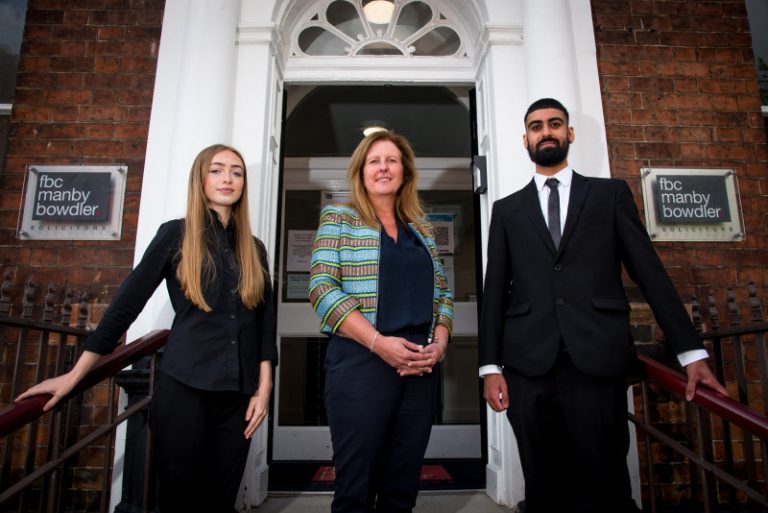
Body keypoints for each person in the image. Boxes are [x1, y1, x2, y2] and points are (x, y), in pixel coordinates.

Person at [478, 98, 728, 513]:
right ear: (526, 139)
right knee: (543, 487)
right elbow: (494, 292)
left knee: (606, 484)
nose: (546, 132)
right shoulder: (507, 211)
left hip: (595, 363)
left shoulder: (609, 195)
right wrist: (490, 367)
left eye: (555, 124)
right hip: (528, 368)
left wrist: (691, 353)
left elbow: (650, 274)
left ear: (569, 133)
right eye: (536, 126)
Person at [17, 144, 277, 513]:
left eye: (237, 172)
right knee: (179, 502)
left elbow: (265, 323)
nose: (228, 179)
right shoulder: (175, 235)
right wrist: (75, 375)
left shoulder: (255, 249)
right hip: (185, 388)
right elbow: (127, 304)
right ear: (200, 179)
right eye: (217, 170)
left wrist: (264, 386)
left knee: (220, 502)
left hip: (239, 397)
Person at [309, 129, 453, 513]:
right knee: (356, 490)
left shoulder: (421, 229)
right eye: (375, 161)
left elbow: (444, 296)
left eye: (392, 160)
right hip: (361, 363)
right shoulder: (339, 217)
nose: (384, 168)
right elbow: (322, 288)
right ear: (361, 171)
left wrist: (438, 347)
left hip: (419, 370)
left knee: (402, 490)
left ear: (405, 172)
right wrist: (377, 343)